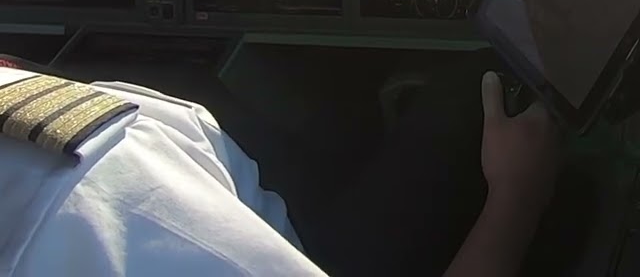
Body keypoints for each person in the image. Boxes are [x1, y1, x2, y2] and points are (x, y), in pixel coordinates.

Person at [0, 61, 560, 276]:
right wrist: (516, 195)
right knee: (462, 91)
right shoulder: (106, 193)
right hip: (295, 250)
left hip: (229, 182)